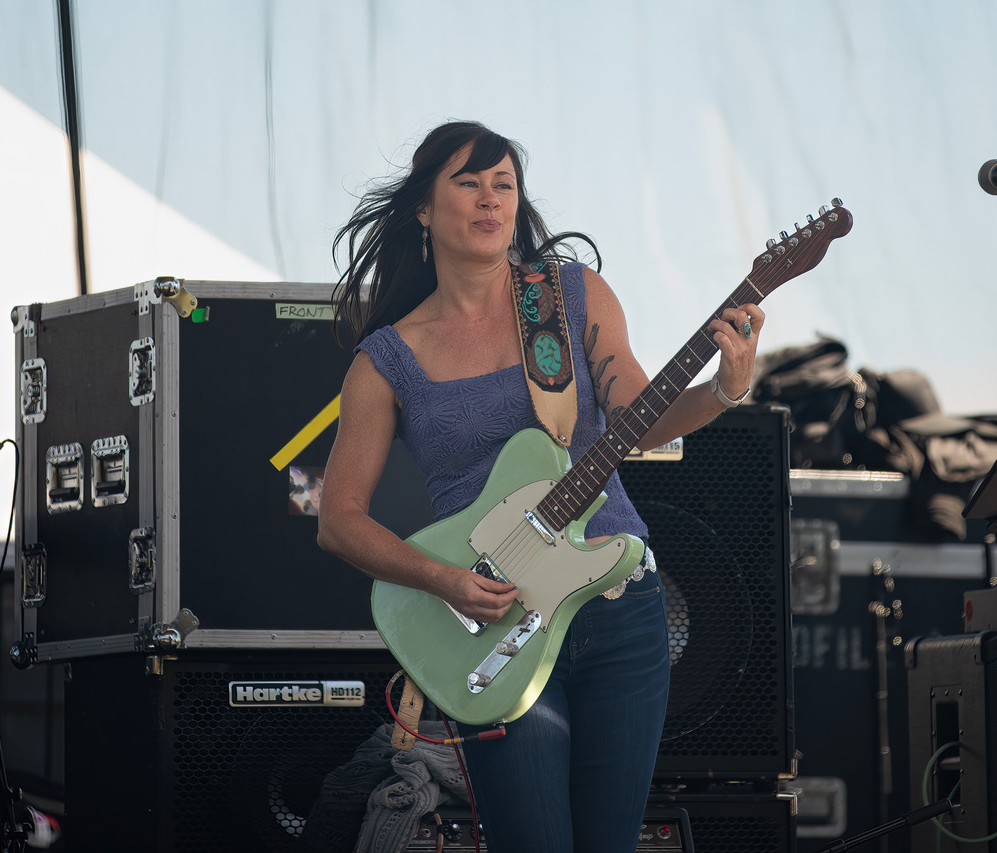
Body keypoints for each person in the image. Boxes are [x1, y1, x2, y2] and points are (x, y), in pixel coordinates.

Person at [317, 120, 765, 853]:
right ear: (424, 210)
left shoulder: (567, 297)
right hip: (495, 621)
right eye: (469, 182)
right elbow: (339, 520)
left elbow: (640, 419)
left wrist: (724, 389)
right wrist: (445, 580)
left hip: (619, 610)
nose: (491, 200)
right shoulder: (387, 359)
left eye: (504, 185)